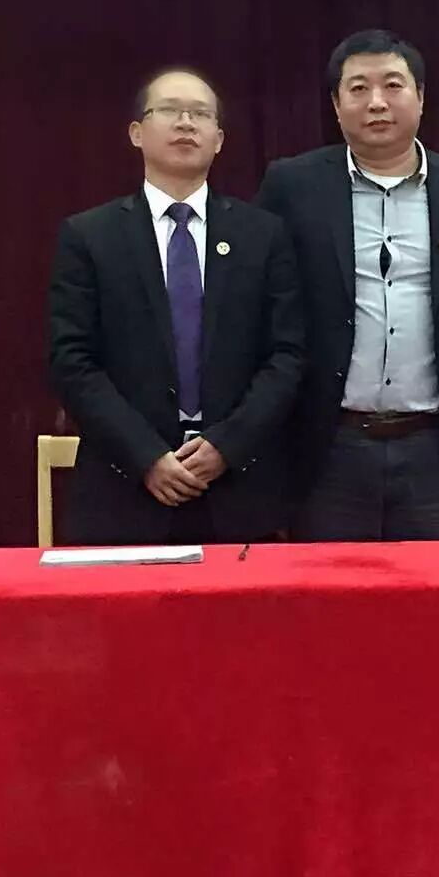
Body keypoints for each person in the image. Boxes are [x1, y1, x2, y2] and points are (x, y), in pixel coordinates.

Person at [47, 68, 304, 544]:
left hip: (238, 489)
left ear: (219, 140)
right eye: (169, 110)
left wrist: (227, 445)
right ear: (136, 132)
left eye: (200, 114)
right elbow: (72, 362)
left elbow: (286, 356)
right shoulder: (90, 236)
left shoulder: (263, 235)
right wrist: (146, 456)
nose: (186, 123)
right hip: (124, 489)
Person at [255, 30, 439, 540]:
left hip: (432, 446)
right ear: (336, 105)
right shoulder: (292, 186)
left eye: (393, 85)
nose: (377, 102)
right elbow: (263, 305)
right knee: (326, 589)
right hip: (328, 446)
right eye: (358, 88)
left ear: (421, 97)